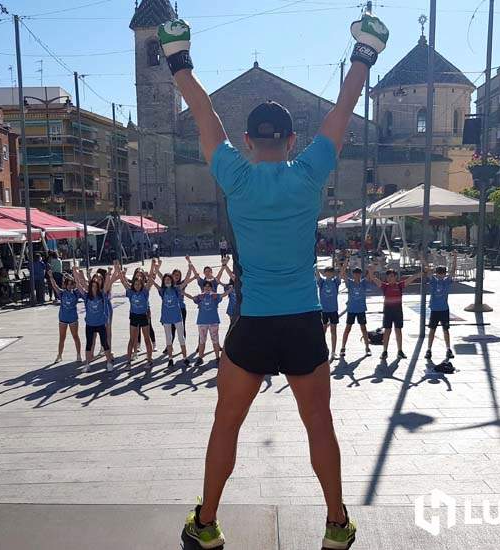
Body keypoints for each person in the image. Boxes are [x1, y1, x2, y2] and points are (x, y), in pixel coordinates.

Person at [158, 11, 386, 548]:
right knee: (319, 427)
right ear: (290, 139)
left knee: (226, 425)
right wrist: (364, 54)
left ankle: (207, 523)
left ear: (247, 139)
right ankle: (336, 525)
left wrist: (179, 62)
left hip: (255, 324)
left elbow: (203, 112)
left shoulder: (233, 175)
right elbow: (344, 109)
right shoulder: (309, 173)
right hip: (304, 322)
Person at [73, 267, 117, 372]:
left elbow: (107, 284)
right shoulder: (86, 296)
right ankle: (87, 364)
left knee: (105, 343)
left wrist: (109, 273)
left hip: (101, 323)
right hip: (90, 324)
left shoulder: (102, 295)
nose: (93, 287)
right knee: (89, 344)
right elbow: (79, 284)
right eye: (92, 285)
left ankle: (109, 362)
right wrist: (75, 273)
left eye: (95, 286)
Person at [379, 267, 422, 361]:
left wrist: (420, 273)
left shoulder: (400, 286)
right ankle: (384, 351)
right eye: (388, 277)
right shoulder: (385, 286)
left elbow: (412, 278)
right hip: (388, 311)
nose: (389, 279)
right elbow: (374, 279)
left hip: (398, 311)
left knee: (398, 330)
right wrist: (371, 271)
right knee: (387, 331)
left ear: (395, 277)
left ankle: (400, 351)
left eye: (391, 277)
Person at [119, 260, 156, 367]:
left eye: (139, 284)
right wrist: (118, 268)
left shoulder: (145, 292)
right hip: (134, 316)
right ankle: (128, 361)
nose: (137, 286)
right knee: (132, 339)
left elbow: (149, 281)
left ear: (141, 285)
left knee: (146, 338)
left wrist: (153, 266)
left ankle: (149, 360)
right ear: (133, 285)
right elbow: (123, 281)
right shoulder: (130, 292)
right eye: (135, 284)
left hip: (143, 316)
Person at [339, 260, 378, 358]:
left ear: (360, 275)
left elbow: (370, 276)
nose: (357, 275)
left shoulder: (363, 282)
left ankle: (367, 348)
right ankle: (343, 348)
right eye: (355, 274)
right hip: (351, 310)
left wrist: (371, 268)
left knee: (363, 329)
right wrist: (346, 263)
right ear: (353, 274)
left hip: (361, 310)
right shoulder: (350, 283)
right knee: (348, 328)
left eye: (358, 274)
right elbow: (343, 274)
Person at [185, 280, 229, 367]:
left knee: (215, 341)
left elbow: (223, 295)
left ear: (212, 287)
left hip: (213, 322)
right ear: (203, 287)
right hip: (202, 322)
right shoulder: (200, 296)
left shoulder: (215, 296)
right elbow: (192, 298)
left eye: (209, 286)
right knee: (202, 341)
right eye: (205, 286)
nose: (207, 288)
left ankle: (217, 358)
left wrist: (230, 290)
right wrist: (183, 292)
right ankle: (200, 358)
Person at [425, 254, 457, 362]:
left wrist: (455, 257)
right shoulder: (434, 281)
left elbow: (453, 270)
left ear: (444, 274)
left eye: (442, 274)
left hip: (444, 309)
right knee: (432, 330)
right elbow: (428, 270)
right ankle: (429, 349)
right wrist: (421, 257)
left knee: (446, 330)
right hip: (435, 310)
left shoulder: (446, 281)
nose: (440, 276)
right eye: (438, 274)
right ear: (436, 274)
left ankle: (448, 349)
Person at [155, 272, 190, 367]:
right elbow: (153, 282)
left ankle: (185, 358)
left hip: (177, 317)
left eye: (169, 279)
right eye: (165, 280)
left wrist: (190, 267)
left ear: (172, 280)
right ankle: (170, 359)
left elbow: (186, 280)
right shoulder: (162, 291)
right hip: (166, 318)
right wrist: (153, 271)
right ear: (163, 281)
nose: (167, 281)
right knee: (168, 339)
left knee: (181, 338)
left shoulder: (177, 289)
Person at [48, 268, 82, 365]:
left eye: (72, 284)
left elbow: (79, 283)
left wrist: (74, 275)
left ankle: (78, 354)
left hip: (73, 318)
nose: (71, 286)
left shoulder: (76, 292)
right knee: (62, 337)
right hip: (63, 318)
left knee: (75, 336)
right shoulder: (62, 293)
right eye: (69, 284)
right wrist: (51, 276)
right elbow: (54, 286)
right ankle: (59, 355)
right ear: (66, 285)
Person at [317, 264, 342, 361]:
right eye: (327, 272)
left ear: (332, 274)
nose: (329, 274)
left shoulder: (335, 282)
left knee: (333, 331)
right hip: (324, 310)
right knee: (323, 331)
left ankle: (333, 352)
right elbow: (316, 272)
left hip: (333, 310)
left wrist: (345, 262)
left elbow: (342, 272)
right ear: (325, 273)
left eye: (331, 272)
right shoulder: (322, 282)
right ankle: (323, 349)